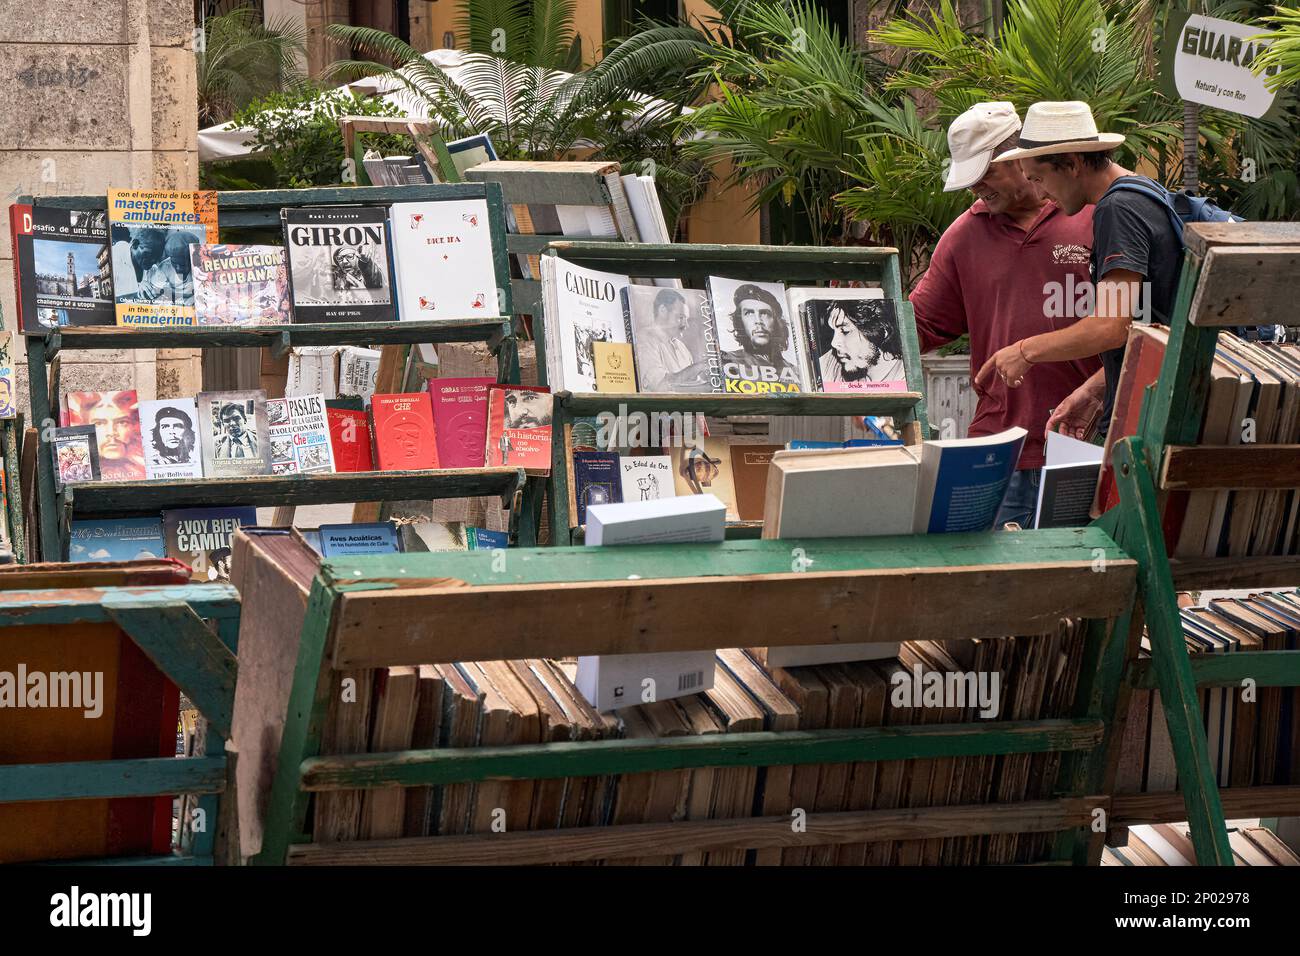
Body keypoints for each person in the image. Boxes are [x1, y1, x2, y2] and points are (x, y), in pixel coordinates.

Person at [910, 102, 1101, 528]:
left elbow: (1139, 322)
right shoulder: (963, 236)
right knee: (995, 585)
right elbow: (919, 326)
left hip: (1089, 444)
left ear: (1017, 156)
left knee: (1088, 581)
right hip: (1000, 448)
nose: (975, 186)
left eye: (985, 171)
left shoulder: (1095, 215)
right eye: (969, 175)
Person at [977, 101, 1183, 445]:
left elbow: (1110, 326)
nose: (1040, 193)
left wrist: (1025, 350)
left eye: (1039, 179)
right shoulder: (1145, 192)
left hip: (1150, 428)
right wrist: (1094, 389)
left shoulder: (1118, 210)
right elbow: (1152, 323)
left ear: (1071, 164)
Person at [721, 283, 800, 388]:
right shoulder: (725, 361)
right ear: (739, 322)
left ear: (776, 322)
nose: (758, 321)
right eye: (749, 313)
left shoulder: (797, 373)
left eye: (765, 313)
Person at [817, 301, 907, 387]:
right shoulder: (831, 362)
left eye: (845, 331)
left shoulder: (905, 377)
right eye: (834, 332)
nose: (834, 343)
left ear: (882, 331)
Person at [637, 289, 705, 391]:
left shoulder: (682, 348)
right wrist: (700, 366)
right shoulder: (642, 340)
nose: (686, 325)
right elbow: (660, 386)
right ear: (663, 310)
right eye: (681, 317)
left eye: (686, 319)